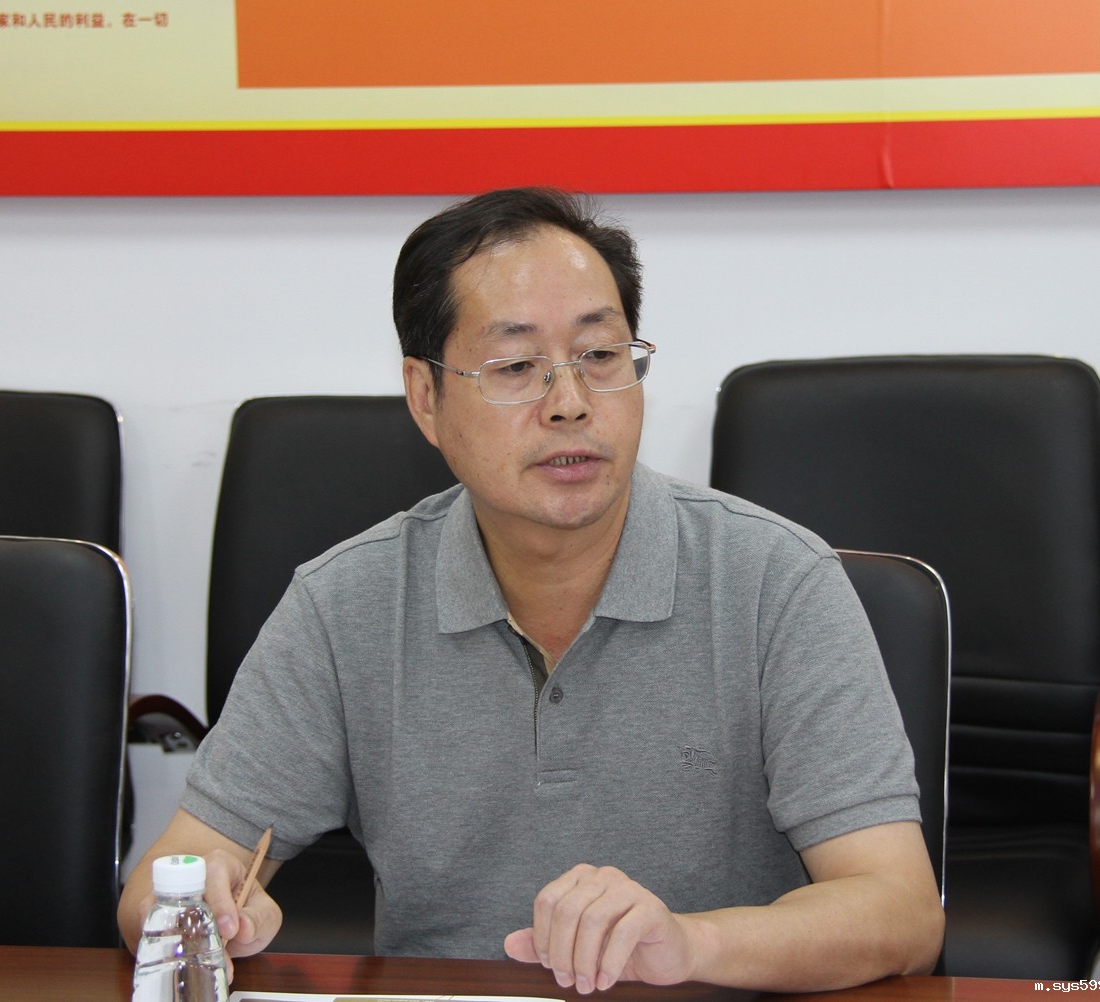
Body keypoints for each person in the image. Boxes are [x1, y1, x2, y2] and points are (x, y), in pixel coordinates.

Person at [119, 187, 944, 993]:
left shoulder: (776, 583)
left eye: (601, 356)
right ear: (426, 398)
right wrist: (204, 907)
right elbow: (161, 885)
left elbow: (900, 911)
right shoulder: (344, 606)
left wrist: (689, 944)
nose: (570, 404)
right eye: (516, 366)